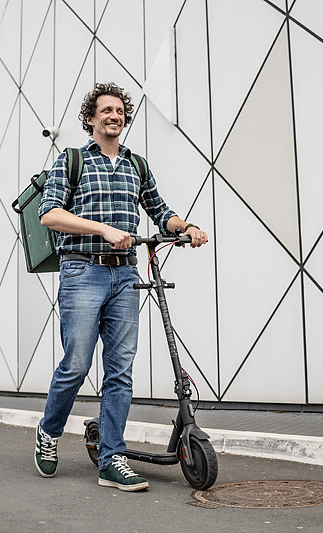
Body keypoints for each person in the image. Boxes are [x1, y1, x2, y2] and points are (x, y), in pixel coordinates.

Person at [33, 82, 208, 491]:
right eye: (105, 110)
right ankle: (48, 431)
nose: (114, 116)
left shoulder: (137, 165)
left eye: (119, 111)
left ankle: (111, 460)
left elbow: (160, 211)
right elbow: (49, 214)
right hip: (82, 273)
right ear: (91, 119)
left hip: (125, 275)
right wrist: (104, 230)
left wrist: (186, 228)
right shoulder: (73, 160)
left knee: (120, 372)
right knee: (76, 364)